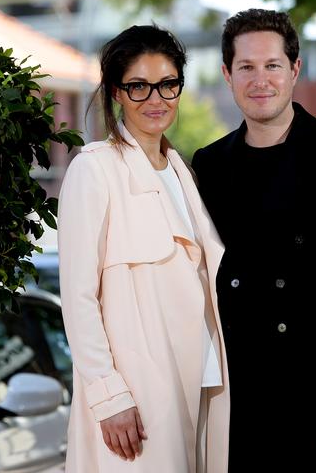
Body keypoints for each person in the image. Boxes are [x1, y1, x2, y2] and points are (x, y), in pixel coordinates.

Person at [191, 9, 316, 472]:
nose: (260, 80)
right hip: (238, 404)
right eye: (246, 67)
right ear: (227, 74)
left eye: (272, 66)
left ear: (295, 70)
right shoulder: (209, 165)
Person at [58, 24, 230, 473]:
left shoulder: (183, 173)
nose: (156, 99)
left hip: (204, 384)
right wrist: (108, 395)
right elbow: (78, 297)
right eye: (139, 86)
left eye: (168, 84)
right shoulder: (94, 170)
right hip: (138, 398)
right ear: (117, 92)